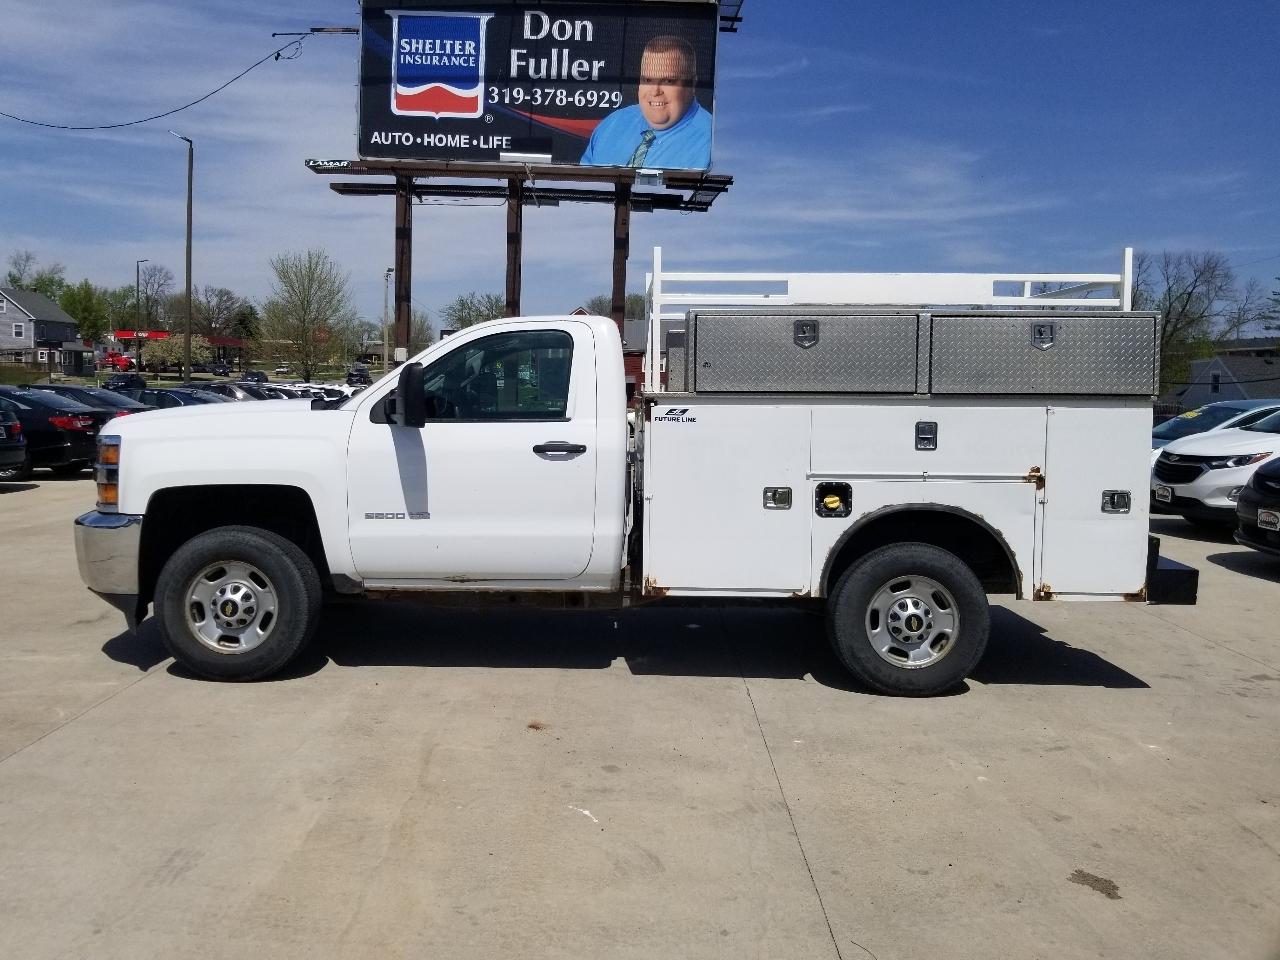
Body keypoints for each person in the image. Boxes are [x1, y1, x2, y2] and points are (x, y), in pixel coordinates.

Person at [580, 35, 711, 170]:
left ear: (693, 85)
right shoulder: (612, 124)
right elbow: (581, 185)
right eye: (647, 80)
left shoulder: (711, 145)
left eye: (668, 81)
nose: (655, 91)